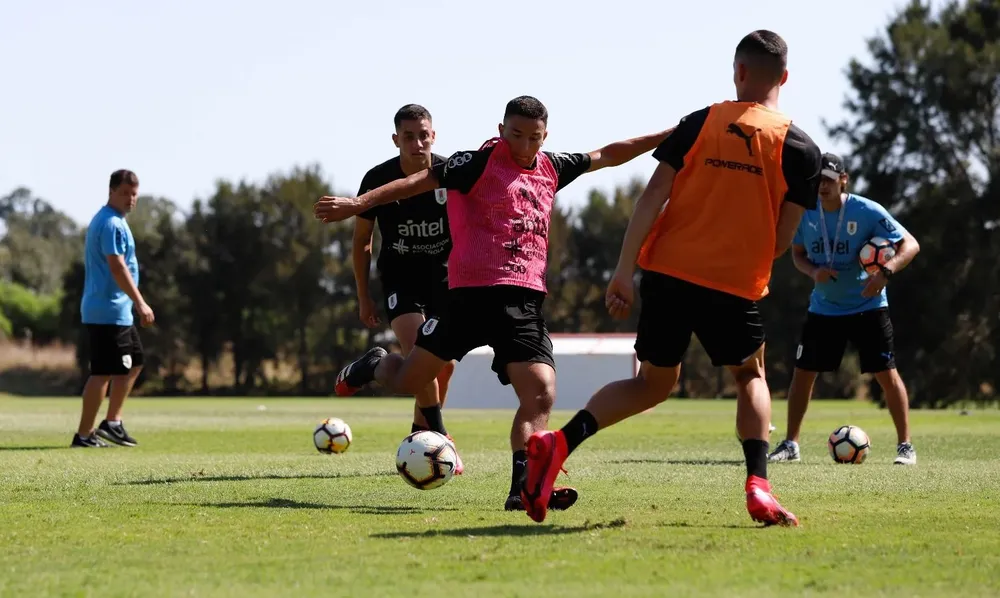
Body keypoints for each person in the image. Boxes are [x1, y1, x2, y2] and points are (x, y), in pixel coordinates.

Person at [518, 30, 822, 526]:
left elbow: (650, 197)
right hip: (732, 284)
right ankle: (759, 486)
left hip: (666, 274)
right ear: (784, 77)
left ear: (738, 71)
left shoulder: (700, 122)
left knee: (652, 385)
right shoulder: (803, 149)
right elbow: (784, 238)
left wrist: (623, 271)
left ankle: (558, 442)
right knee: (749, 375)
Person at [315, 95, 673, 511]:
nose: (525, 146)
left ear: (545, 136)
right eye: (516, 135)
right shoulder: (475, 162)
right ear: (502, 130)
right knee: (413, 379)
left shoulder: (552, 166)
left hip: (523, 303)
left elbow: (608, 155)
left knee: (540, 393)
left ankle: (522, 488)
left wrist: (670, 135)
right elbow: (420, 181)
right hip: (467, 299)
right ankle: (375, 365)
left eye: (534, 138)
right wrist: (359, 204)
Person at [768, 153, 919, 465]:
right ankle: (790, 445)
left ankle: (906, 447)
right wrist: (813, 272)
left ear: (843, 180)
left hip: (868, 305)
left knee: (886, 374)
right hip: (824, 307)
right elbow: (797, 253)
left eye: (828, 180)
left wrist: (885, 273)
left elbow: (911, 244)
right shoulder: (804, 211)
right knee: (803, 374)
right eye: (817, 180)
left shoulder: (867, 211)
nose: (822, 186)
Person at [348, 104, 459, 450]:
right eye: (408, 136)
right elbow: (362, 242)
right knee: (419, 354)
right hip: (401, 279)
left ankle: (415, 432)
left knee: (444, 367)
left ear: (433, 136)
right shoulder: (377, 179)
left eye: (423, 135)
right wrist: (364, 296)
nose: (417, 143)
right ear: (396, 139)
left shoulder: (452, 174)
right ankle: (440, 438)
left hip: (444, 279)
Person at [74, 169, 154, 448]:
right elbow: (117, 266)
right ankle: (84, 435)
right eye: (125, 193)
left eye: (134, 194)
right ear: (111, 192)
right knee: (103, 372)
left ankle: (112, 422)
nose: (131, 199)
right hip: (107, 310)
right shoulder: (110, 223)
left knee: (135, 362)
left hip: (117, 312)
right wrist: (140, 301)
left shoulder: (115, 220)